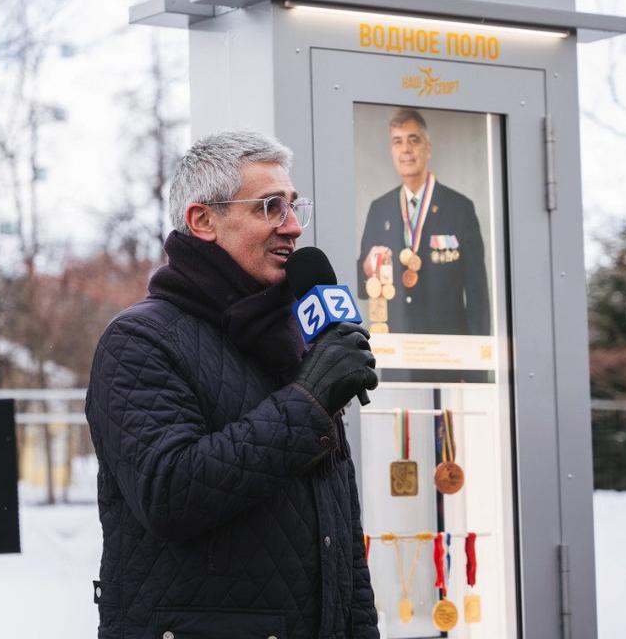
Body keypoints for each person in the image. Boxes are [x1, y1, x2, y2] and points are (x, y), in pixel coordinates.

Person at [86, 131, 379, 639]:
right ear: (203, 221)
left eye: (293, 206)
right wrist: (307, 405)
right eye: (270, 207)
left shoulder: (296, 340)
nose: (292, 228)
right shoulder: (140, 341)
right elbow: (169, 494)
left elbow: (342, 538)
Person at [357, 108, 490, 336]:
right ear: (392, 151)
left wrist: (473, 370)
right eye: (397, 142)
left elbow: (478, 296)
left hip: (448, 358)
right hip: (397, 357)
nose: (405, 149)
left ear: (428, 149)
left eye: (413, 140)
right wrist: (367, 269)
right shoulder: (380, 209)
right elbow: (362, 288)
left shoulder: (460, 208)